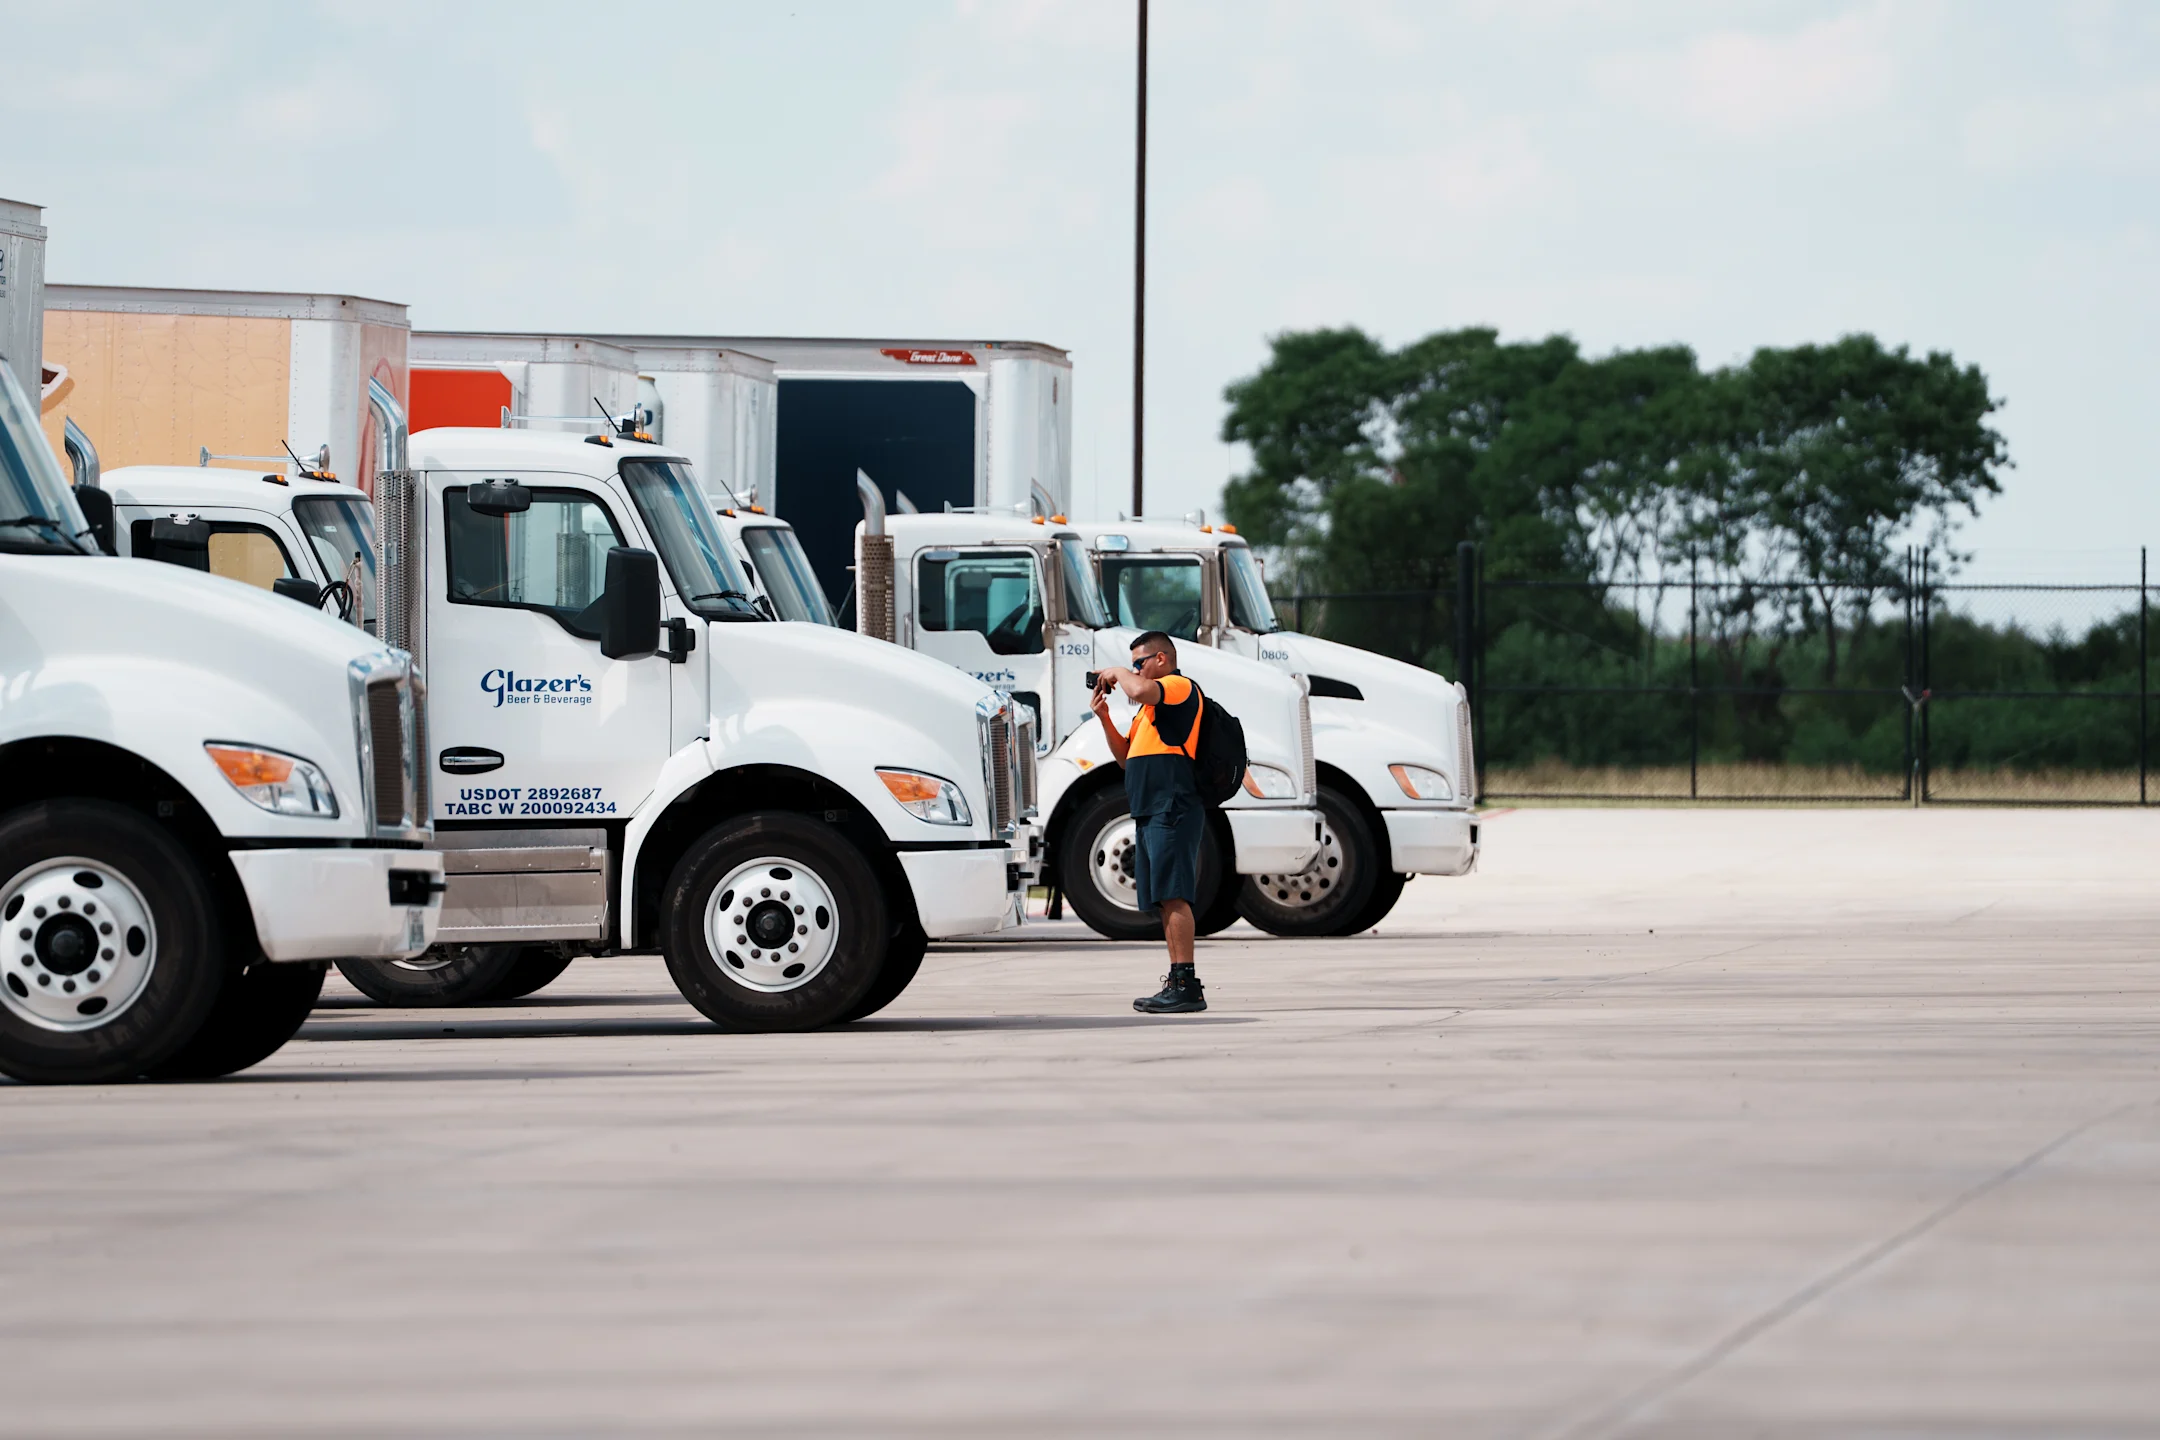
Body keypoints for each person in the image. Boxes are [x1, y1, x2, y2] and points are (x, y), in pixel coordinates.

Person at [1090, 630, 1209, 1014]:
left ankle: (1186, 983)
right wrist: (1105, 718)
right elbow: (1126, 757)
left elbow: (1140, 689)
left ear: (1161, 659)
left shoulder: (1177, 686)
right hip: (1151, 807)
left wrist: (1117, 672)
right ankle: (1178, 981)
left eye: (1140, 662)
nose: (1135, 671)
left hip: (1171, 805)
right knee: (1163, 897)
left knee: (1174, 893)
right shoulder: (1149, 712)